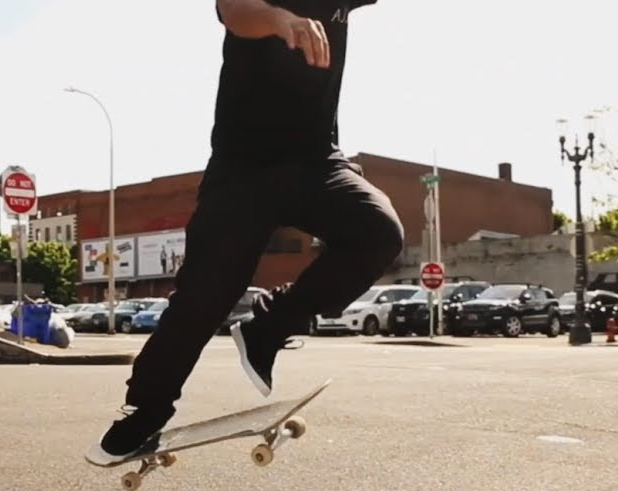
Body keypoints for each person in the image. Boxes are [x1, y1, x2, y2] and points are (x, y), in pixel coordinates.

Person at [87, 0, 405, 464]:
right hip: (244, 168)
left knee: (378, 231)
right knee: (205, 295)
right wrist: (283, 21)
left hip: (317, 162)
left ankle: (269, 327)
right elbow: (235, 11)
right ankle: (144, 409)